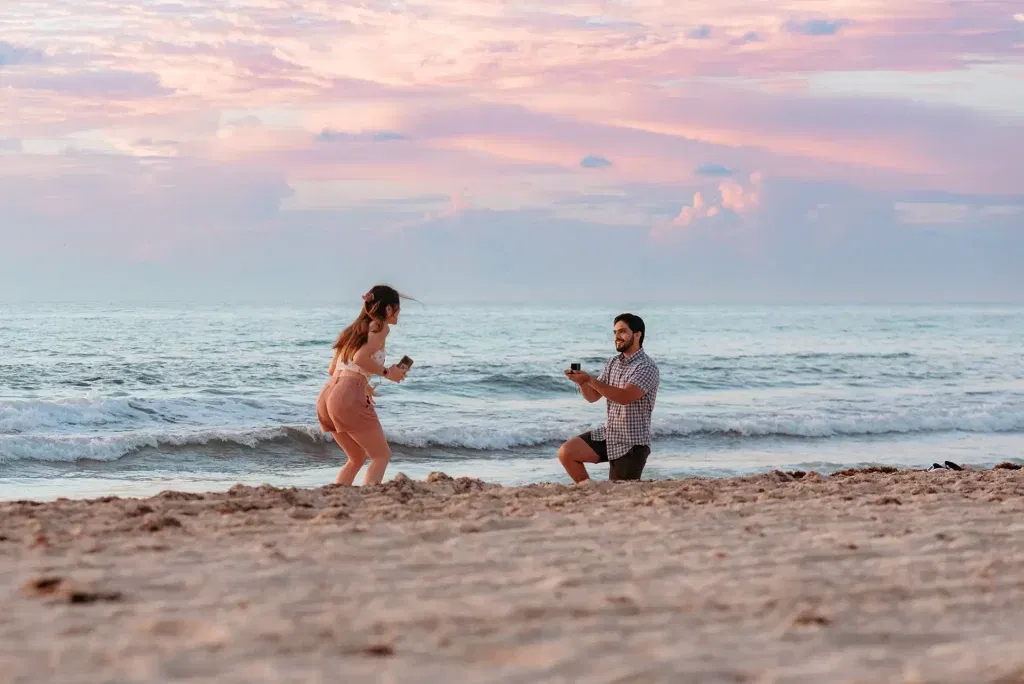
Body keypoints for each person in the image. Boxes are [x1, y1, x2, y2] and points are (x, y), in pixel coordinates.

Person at [317, 285, 411, 485]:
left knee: (356, 458)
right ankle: (371, 499)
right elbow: (360, 358)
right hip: (347, 396)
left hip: (327, 395)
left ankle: (338, 498)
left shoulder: (352, 330)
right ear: (388, 309)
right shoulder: (380, 327)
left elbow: (333, 370)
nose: (398, 315)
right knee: (381, 455)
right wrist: (388, 373)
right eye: (398, 310)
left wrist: (365, 387)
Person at [559, 313, 660, 483]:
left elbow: (625, 397)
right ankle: (588, 490)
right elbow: (593, 397)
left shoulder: (646, 367)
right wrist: (582, 382)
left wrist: (590, 379)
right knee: (567, 452)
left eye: (622, 332)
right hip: (609, 434)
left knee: (621, 493)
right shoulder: (613, 362)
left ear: (637, 335)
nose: (617, 337)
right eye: (614, 332)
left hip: (632, 444)